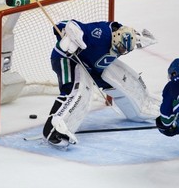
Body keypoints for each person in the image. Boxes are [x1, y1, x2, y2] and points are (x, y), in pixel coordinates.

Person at [42, 19, 158, 148]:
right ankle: (53, 131)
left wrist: (145, 39)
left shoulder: (125, 37)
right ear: (116, 36)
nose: (121, 51)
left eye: (124, 49)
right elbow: (62, 25)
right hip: (68, 60)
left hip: (93, 66)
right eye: (121, 47)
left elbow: (135, 38)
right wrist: (68, 34)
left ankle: (142, 109)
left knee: (120, 82)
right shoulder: (99, 33)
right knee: (74, 91)